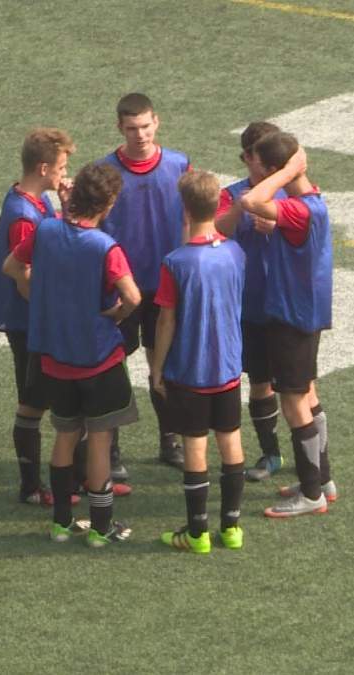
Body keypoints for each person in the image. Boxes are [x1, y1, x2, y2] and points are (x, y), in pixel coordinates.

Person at [3, 162, 140, 546]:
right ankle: (101, 527)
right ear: (109, 204)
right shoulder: (104, 246)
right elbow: (132, 297)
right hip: (98, 358)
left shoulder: (46, 230)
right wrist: (117, 315)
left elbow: (12, 266)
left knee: (65, 435)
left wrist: (40, 297)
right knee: (98, 440)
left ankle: (62, 523)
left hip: (55, 356)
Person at [238, 133, 336, 518]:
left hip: (291, 316)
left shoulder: (297, 209)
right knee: (307, 395)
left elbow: (251, 200)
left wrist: (285, 172)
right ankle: (321, 480)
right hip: (305, 312)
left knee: (294, 402)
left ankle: (311, 495)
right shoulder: (310, 202)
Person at [151, 171, 248, 553]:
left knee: (195, 446)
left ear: (185, 210)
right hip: (227, 367)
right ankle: (232, 528)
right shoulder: (236, 253)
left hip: (191, 370)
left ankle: (197, 533)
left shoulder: (175, 262)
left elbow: (166, 320)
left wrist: (157, 368)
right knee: (231, 440)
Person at [98, 93, 191, 477]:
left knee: (163, 366)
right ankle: (111, 448)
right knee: (112, 367)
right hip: (121, 288)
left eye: (145, 126)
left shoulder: (179, 164)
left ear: (157, 122)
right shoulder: (103, 171)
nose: (140, 134)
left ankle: (170, 440)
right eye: (132, 128)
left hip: (165, 286)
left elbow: (191, 219)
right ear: (120, 128)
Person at [0, 127, 74, 506]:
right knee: (33, 401)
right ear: (43, 168)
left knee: (40, 397)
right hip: (29, 323)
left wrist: (66, 207)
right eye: (61, 167)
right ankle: (31, 487)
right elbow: (24, 277)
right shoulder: (24, 215)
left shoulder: (34, 200)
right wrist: (48, 311)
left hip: (34, 319)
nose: (64, 174)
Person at [214, 121, 286, 483]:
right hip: (247, 306)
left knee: (299, 386)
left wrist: (278, 226)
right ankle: (271, 453)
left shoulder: (292, 194)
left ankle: (315, 467)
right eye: (262, 155)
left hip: (287, 305)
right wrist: (243, 208)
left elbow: (313, 236)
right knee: (259, 381)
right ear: (246, 157)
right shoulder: (231, 195)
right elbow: (218, 230)